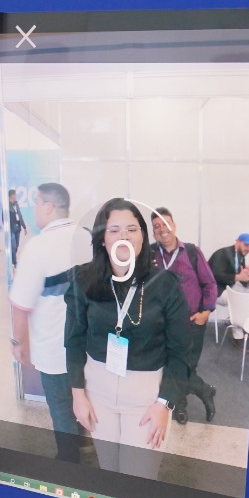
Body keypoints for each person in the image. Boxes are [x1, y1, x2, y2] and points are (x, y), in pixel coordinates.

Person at [64, 198, 191, 478]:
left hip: (146, 397)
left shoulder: (165, 285)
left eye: (132, 229)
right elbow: (73, 340)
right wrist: (77, 394)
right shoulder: (84, 279)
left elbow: (182, 351)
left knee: (138, 483)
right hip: (97, 391)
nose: (124, 236)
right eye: (114, 230)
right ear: (102, 239)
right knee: (110, 475)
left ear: (143, 236)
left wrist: (165, 403)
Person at [7, 183, 86, 461]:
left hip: (54, 349)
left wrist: (19, 343)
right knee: (85, 398)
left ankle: (69, 459)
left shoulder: (37, 247)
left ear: (49, 207)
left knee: (61, 405)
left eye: (37, 203)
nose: (35, 209)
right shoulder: (88, 238)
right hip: (89, 347)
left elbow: (20, 305)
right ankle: (87, 447)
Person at [150, 207, 219, 424]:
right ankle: (204, 390)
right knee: (169, 365)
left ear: (174, 225)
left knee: (187, 365)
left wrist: (205, 312)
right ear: (153, 231)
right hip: (162, 323)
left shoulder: (191, 252)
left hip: (191, 322)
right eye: (156, 226)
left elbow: (210, 283)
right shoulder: (150, 254)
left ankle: (179, 407)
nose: (162, 229)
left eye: (165, 223)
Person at [8, 188, 28, 267]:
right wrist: (7, 228)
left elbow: (20, 215)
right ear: (12, 195)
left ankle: (12, 259)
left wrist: (24, 227)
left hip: (18, 228)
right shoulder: (7, 205)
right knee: (13, 246)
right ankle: (14, 262)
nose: (16, 196)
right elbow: (4, 218)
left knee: (16, 246)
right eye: (15, 194)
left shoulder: (16, 204)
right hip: (11, 229)